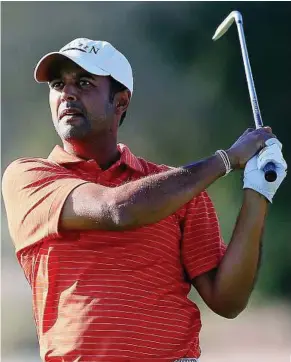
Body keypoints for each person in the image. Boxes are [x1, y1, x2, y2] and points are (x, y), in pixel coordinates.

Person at [2, 38, 287, 362]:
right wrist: (226, 159)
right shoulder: (28, 177)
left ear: (121, 101)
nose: (67, 93)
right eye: (58, 84)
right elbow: (116, 209)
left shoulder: (178, 190)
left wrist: (258, 192)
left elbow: (228, 301)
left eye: (83, 82)